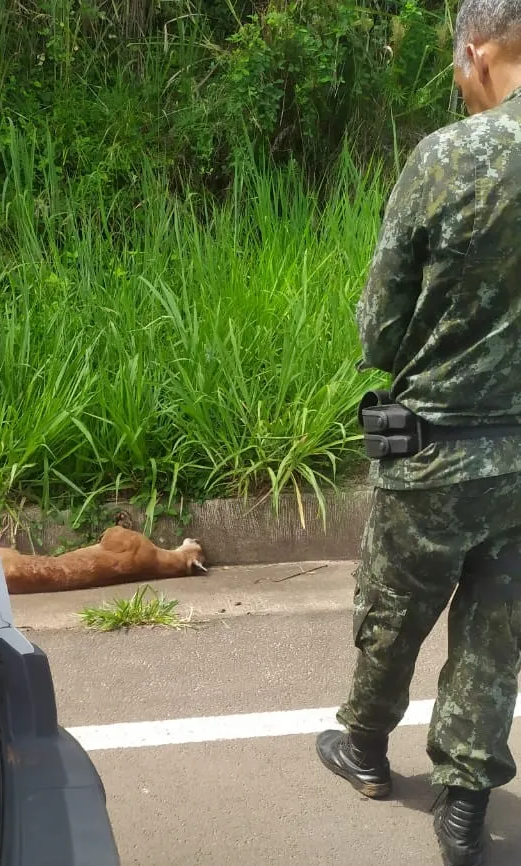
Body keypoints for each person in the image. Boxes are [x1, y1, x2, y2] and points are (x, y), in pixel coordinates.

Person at [315, 2, 521, 865]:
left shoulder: (445, 156)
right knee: (495, 623)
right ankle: (464, 802)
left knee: (394, 608)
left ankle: (364, 749)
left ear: (474, 53)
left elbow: (379, 324)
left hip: (435, 444)